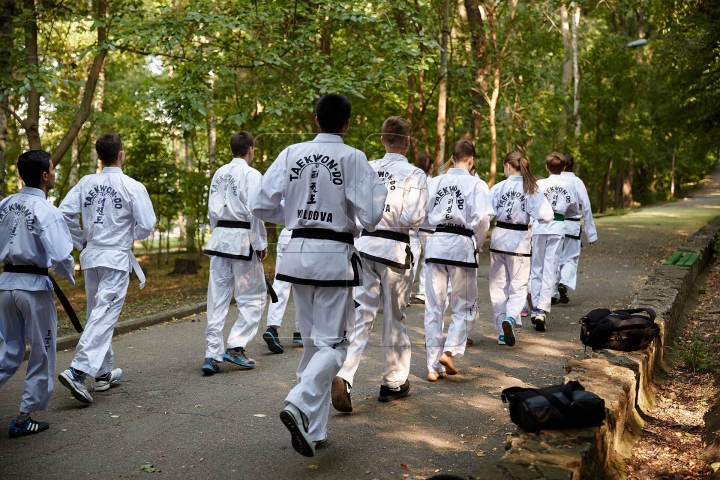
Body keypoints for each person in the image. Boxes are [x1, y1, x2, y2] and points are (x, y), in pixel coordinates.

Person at [250, 94, 387, 457]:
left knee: (313, 344)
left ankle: (315, 428)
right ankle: (298, 401)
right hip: (332, 258)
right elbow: (372, 217)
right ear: (346, 124)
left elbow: (261, 204)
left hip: (296, 253)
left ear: (315, 120)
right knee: (336, 346)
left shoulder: (292, 152)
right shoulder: (353, 157)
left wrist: (296, 214)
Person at [331, 116, 428, 411]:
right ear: (408, 142)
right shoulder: (415, 174)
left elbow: (348, 208)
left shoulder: (367, 169)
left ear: (383, 139)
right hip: (395, 250)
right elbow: (413, 218)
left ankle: (344, 375)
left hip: (364, 247)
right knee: (394, 317)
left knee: (361, 316)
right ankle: (393, 382)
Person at [58, 133, 156, 404]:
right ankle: (77, 371)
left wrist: (81, 239)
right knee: (103, 315)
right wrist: (129, 233)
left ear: (99, 157)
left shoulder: (86, 182)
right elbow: (147, 224)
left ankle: (103, 373)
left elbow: (63, 213)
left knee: (97, 313)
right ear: (121, 154)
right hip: (114, 258)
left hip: (92, 258)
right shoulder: (131, 185)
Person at [0, 151, 75, 437]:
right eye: (53, 169)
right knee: (41, 353)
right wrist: (70, 275)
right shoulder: (48, 211)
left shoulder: (5, 204)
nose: (54, 173)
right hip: (33, 288)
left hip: (6, 284)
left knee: (8, 350)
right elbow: (60, 255)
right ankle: (22, 419)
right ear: (45, 176)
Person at [201, 131, 269, 374]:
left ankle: (211, 353)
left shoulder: (219, 173)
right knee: (254, 297)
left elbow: (211, 212)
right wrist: (260, 243)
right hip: (242, 241)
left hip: (220, 240)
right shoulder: (252, 175)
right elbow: (256, 211)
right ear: (250, 149)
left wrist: (217, 234)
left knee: (217, 298)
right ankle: (236, 346)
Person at [423, 140, 490, 381]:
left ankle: (433, 367)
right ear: (471, 160)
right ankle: (449, 351)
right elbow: (483, 219)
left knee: (434, 308)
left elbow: (422, 215)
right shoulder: (477, 184)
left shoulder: (435, 182)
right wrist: (478, 243)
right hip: (461, 247)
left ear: (452, 157)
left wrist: (436, 227)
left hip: (437, 244)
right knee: (465, 306)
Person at [488, 150, 553, 347]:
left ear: (508, 166)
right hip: (520, 243)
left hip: (499, 239)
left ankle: (502, 331)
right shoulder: (531, 188)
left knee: (499, 287)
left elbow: (485, 215)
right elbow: (547, 216)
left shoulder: (497, 188)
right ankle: (511, 318)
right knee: (518, 287)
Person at [529, 152, 579, 332]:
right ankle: (542, 309)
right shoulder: (569, 185)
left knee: (537, 267)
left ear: (547, 167)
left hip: (540, 227)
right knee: (551, 267)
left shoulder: (540, 184)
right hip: (558, 227)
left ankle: (535, 307)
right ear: (564, 168)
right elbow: (574, 209)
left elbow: (531, 205)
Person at [554, 154, 597, 303]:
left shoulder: (554, 181)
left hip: (554, 225)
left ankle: (552, 293)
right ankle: (564, 284)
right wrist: (591, 234)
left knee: (555, 259)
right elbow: (586, 207)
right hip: (572, 225)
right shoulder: (577, 182)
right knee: (570, 258)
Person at [262, 226, 302, 353]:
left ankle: (272, 329)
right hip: (304, 236)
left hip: (286, 234)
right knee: (305, 285)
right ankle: (301, 331)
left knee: (281, 283)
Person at [409, 151, 434, 304]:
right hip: (429, 227)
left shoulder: (411, 179)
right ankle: (423, 290)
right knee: (428, 261)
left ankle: (404, 294)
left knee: (411, 260)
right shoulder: (433, 181)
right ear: (430, 165)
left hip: (412, 226)